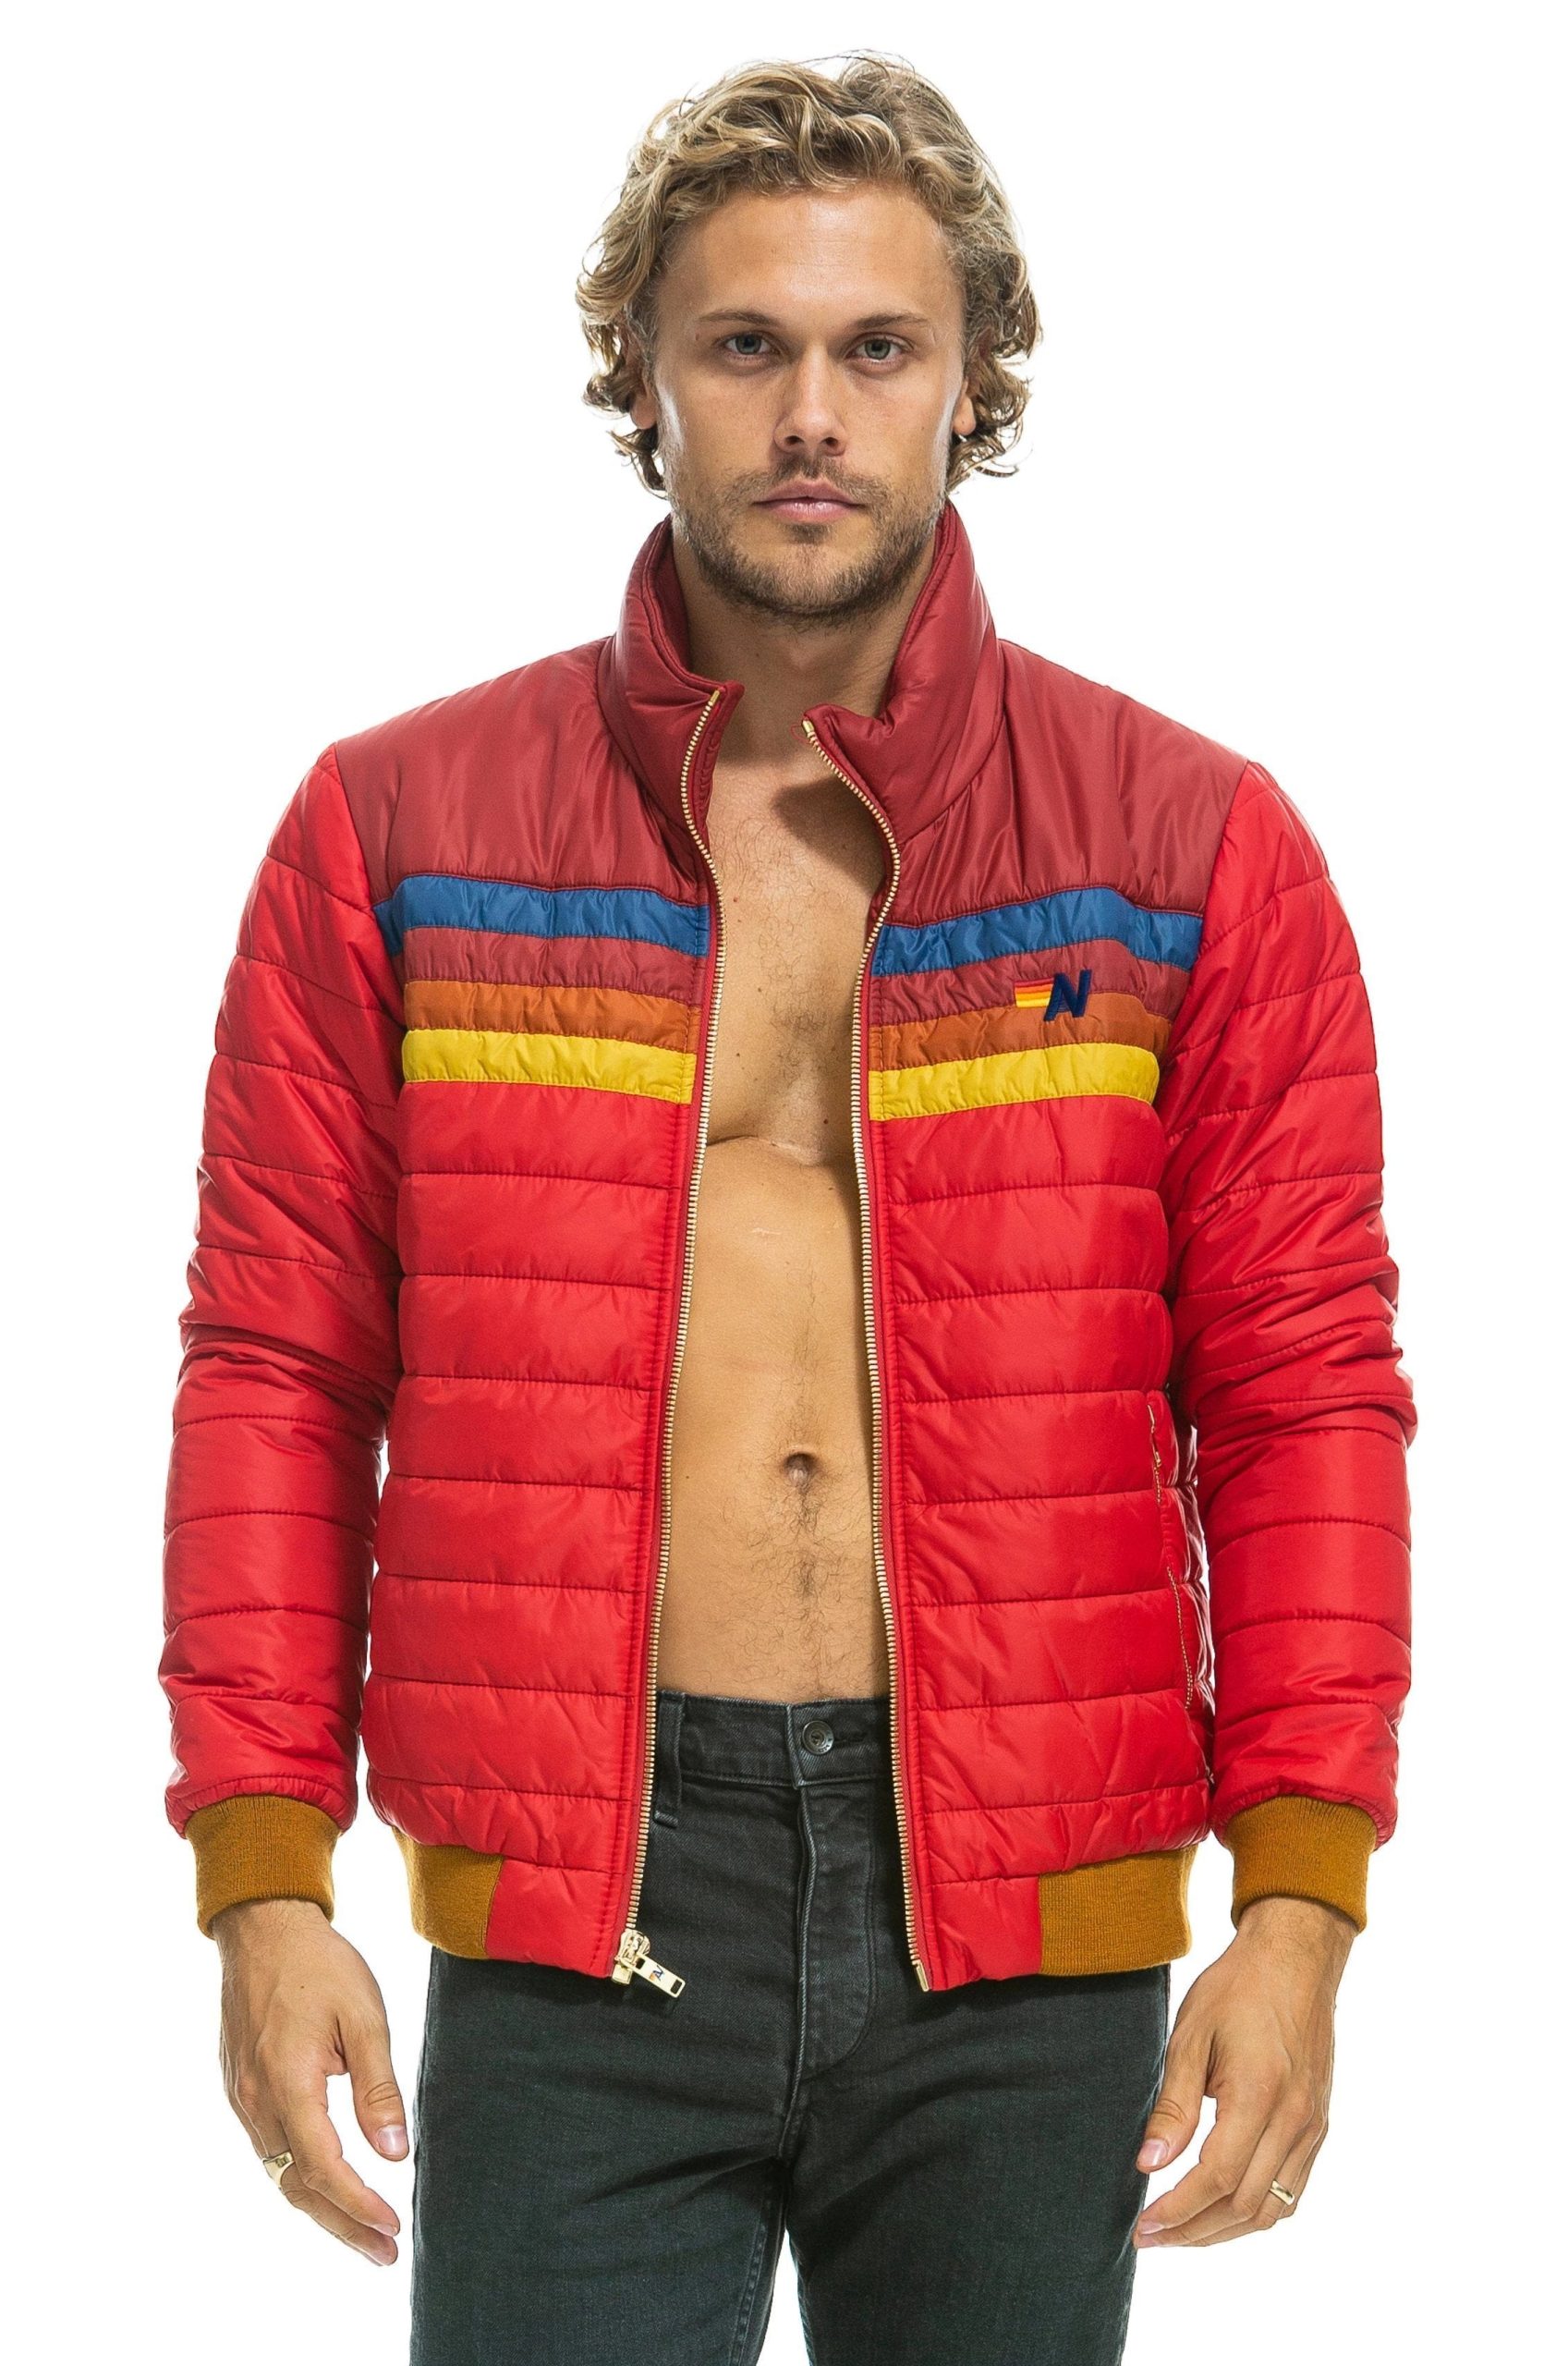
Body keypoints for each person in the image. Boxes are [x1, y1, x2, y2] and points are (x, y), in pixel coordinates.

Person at [159, 52, 1416, 2366]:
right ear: (644, 376)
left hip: (1030, 1913)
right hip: (588, 1897)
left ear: (972, 380)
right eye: (745, 345)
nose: (811, 414)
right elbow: (278, 1366)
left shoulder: (1188, 843)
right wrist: (263, 1871)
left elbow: (1302, 1389)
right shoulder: (400, 826)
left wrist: (1301, 1897)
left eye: (878, 347)